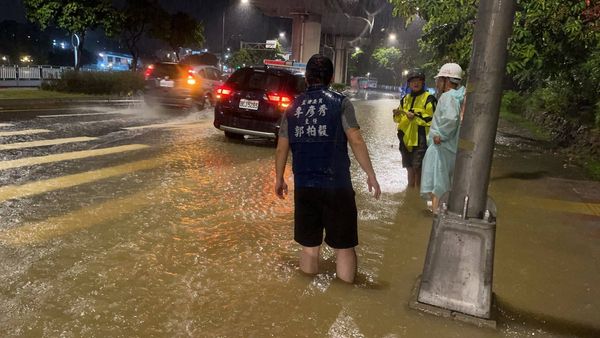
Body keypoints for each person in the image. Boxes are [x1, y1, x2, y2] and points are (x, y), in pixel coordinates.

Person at [274, 54, 381, 284]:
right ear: (332, 78)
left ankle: (308, 300)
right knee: (344, 248)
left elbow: (282, 147)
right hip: (337, 187)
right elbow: (356, 139)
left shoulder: (292, 106)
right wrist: (370, 174)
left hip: (304, 187)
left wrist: (279, 178)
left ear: (306, 77)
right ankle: (343, 296)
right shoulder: (340, 102)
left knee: (309, 249)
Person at [420, 63, 465, 213]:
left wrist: (441, 135)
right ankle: (440, 210)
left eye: (439, 80)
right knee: (444, 182)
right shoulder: (458, 97)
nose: (437, 83)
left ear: (446, 80)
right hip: (450, 148)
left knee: (437, 184)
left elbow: (451, 119)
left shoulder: (447, 97)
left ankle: (437, 216)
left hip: (441, 147)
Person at [393, 69, 437, 188]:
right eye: (413, 81)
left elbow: (432, 119)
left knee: (418, 168)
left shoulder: (429, 98)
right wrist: (396, 113)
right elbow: (397, 120)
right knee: (409, 167)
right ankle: (410, 193)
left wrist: (415, 116)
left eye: (418, 81)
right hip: (405, 138)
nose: (415, 83)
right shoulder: (405, 99)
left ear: (423, 82)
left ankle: (418, 195)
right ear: (409, 84)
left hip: (421, 138)